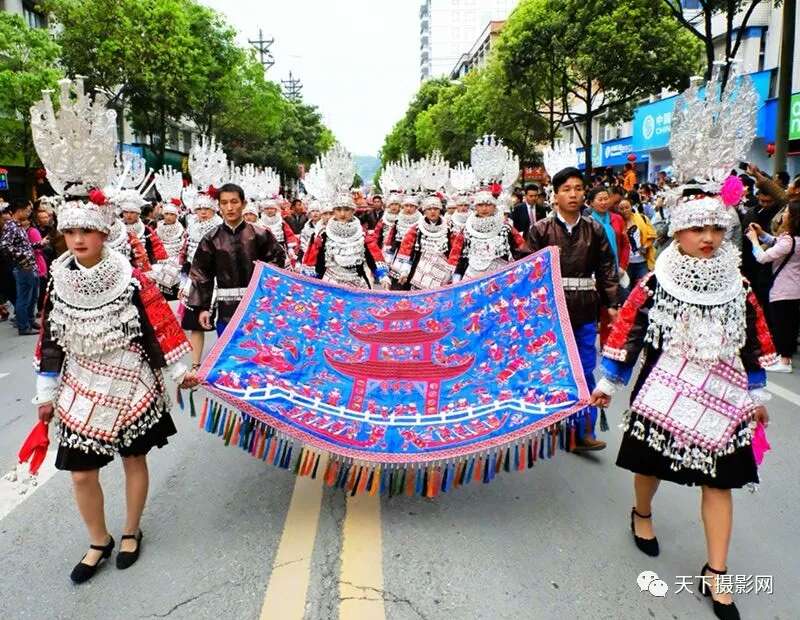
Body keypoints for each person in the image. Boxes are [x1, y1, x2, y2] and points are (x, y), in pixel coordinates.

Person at [590, 194, 776, 620]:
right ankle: (641, 513)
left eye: (716, 229)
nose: (708, 238)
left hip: (724, 396)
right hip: (662, 391)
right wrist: (609, 382)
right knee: (649, 467)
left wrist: (756, 394)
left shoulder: (739, 285)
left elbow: (751, 341)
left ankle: (717, 573)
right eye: (697, 229)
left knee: (720, 483)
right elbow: (630, 332)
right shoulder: (656, 282)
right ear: (677, 232)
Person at [34, 192, 195, 584]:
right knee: (80, 473)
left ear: (103, 233)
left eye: (87, 230)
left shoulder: (130, 278)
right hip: (80, 382)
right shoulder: (58, 279)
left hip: (130, 379)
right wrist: (46, 391)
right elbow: (50, 339)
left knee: (133, 460)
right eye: (70, 231)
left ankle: (130, 530)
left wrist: (180, 372)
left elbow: (159, 325)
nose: (78, 239)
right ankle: (98, 539)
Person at [527, 167, 619, 452]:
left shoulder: (595, 229)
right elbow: (527, 270)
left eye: (578, 188)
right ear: (555, 195)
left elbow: (607, 268)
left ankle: (584, 430)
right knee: (552, 367)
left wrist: (612, 304)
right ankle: (554, 419)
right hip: (550, 311)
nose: (573, 194)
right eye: (566, 189)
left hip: (584, 308)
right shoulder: (540, 229)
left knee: (584, 368)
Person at [187, 183, 287, 336]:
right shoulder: (211, 239)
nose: (229, 208)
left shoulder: (260, 235)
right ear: (219, 206)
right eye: (224, 203)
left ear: (243, 204)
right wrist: (203, 308)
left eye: (234, 202)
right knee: (229, 349)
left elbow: (276, 265)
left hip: (258, 309)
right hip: (226, 312)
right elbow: (201, 274)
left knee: (257, 349)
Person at [746, 201, 800, 373]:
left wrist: (754, 241)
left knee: (782, 326)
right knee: (787, 325)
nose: (783, 214)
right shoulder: (793, 240)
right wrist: (762, 234)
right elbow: (775, 241)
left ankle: (784, 361)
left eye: (787, 212)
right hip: (793, 289)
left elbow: (762, 257)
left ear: (793, 218)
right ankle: (783, 357)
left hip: (784, 290)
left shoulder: (789, 241)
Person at [301, 193, 391, 289]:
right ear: (334, 211)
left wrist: (382, 276)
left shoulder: (361, 233)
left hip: (358, 284)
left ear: (353, 211)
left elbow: (371, 257)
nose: (342, 214)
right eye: (338, 210)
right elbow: (319, 263)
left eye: (347, 209)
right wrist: (310, 284)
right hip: (331, 283)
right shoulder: (325, 235)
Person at [178, 187, 222, 371]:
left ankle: (223, 363)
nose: (203, 212)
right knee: (194, 324)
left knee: (223, 323)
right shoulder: (191, 228)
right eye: (199, 208)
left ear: (214, 209)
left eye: (207, 208)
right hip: (195, 280)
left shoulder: (221, 228)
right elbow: (183, 257)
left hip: (220, 279)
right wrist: (183, 282)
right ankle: (196, 364)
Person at [449, 190, 528, 282]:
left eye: (488, 205)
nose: (484, 209)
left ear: (494, 207)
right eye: (480, 205)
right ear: (475, 207)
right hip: (473, 276)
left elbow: (521, 249)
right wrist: (456, 277)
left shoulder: (505, 228)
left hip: (500, 276)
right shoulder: (467, 230)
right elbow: (460, 256)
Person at [587, 187, 631, 345]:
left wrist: (623, 266)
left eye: (606, 198)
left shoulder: (617, 219)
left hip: (616, 272)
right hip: (596, 274)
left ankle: (613, 344)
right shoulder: (587, 223)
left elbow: (625, 245)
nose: (604, 202)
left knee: (617, 308)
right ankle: (604, 344)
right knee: (600, 311)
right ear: (591, 203)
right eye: (600, 199)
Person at [392, 194, 454, 290]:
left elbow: (453, 251)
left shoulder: (448, 228)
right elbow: (407, 249)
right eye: (429, 209)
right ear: (424, 211)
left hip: (441, 269)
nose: (432, 211)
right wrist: (405, 270)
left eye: (435, 209)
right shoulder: (417, 228)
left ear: (440, 210)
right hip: (418, 267)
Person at [0, 202, 40, 335]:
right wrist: (22, 258)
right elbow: (5, 246)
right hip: (23, 266)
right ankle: (23, 326)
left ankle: (30, 320)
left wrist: (38, 244)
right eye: (27, 210)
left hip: (30, 265)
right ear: (19, 210)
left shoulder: (19, 226)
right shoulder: (11, 226)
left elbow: (24, 247)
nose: (29, 213)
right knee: (24, 297)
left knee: (33, 296)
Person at [619, 198, 655, 288]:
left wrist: (645, 247)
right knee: (627, 290)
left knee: (643, 288)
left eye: (627, 207)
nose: (625, 210)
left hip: (642, 262)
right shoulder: (617, 222)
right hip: (625, 265)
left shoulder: (642, 218)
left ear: (631, 207)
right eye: (621, 208)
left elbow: (652, 235)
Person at [258, 198, 300, 267]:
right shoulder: (260, 222)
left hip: (280, 249)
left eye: (271, 208)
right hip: (264, 250)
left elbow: (289, 235)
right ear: (264, 210)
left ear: (275, 209)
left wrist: (290, 248)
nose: (269, 210)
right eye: (267, 209)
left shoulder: (281, 222)